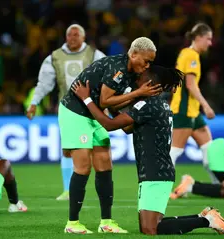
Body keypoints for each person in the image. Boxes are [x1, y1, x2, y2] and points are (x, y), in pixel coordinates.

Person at [70, 65, 224, 236]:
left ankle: (207, 220)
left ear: (149, 83)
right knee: (149, 226)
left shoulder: (147, 105)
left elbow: (109, 125)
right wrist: (109, 104)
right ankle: (205, 217)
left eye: (140, 78)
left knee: (151, 229)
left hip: (155, 171)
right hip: (156, 170)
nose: (136, 80)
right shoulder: (158, 105)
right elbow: (127, 128)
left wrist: (87, 99)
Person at [60, 37, 160, 234]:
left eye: (151, 62)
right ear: (133, 55)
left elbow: (112, 103)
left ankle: (106, 222)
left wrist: (127, 116)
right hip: (75, 112)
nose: (148, 65)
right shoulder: (119, 68)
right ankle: (72, 223)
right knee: (83, 167)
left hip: (93, 113)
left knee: (105, 163)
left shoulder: (131, 73)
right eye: (146, 61)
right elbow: (106, 100)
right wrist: (138, 93)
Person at [26, 24, 106, 201]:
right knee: (68, 149)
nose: (73, 37)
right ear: (65, 37)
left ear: (84, 37)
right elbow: (44, 83)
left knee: (100, 148)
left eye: (76, 34)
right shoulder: (55, 57)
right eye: (70, 34)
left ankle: (102, 188)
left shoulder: (95, 55)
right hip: (68, 108)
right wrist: (34, 103)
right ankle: (68, 190)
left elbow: (108, 77)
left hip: (93, 108)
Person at [169, 23, 218, 193]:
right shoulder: (191, 56)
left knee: (209, 150)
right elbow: (190, 85)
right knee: (173, 152)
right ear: (198, 38)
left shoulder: (186, 53)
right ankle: (161, 187)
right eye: (208, 39)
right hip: (184, 111)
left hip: (192, 111)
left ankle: (218, 187)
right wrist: (207, 106)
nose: (210, 43)